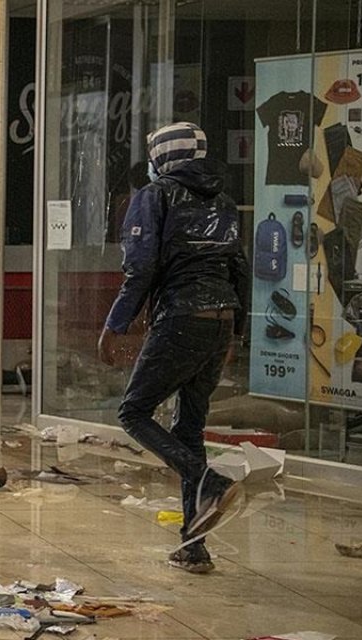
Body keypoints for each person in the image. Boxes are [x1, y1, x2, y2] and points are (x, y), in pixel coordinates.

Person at [99, 122, 250, 574]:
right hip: (219, 318)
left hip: (182, 317)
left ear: (161, 156)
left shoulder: (155, 195)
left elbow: (140, 268)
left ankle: (208, 479)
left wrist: (115, 325)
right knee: (189, 429)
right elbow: (239, 267)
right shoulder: (222, 199)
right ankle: (194, 545)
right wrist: (235, 333)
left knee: (134, 412)